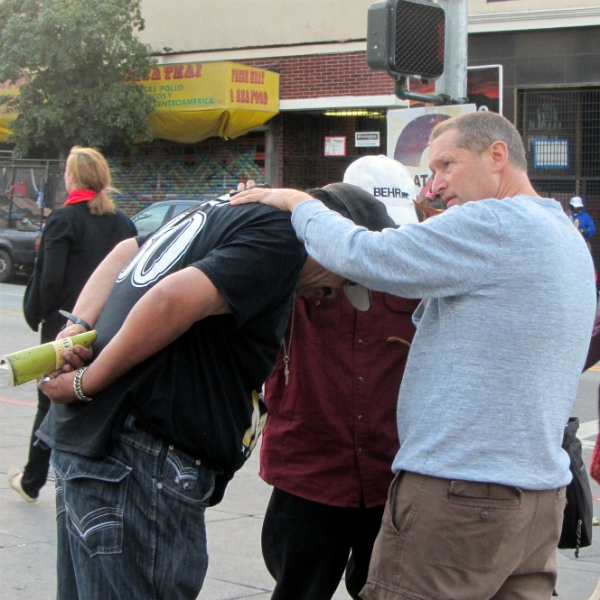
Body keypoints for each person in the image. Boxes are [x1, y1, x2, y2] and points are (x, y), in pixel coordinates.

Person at [231, 111, 597, 599]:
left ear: (497, 155)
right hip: (539, 498)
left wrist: (297, 203)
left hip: (461, 494)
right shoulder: (563, 234)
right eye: (430, 172)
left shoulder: (491, 222)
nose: (435, 187)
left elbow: (365, 254)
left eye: (447, 165)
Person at [35, 184, 394, 600]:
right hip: (140, 456)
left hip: (93, 447)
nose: (328, 295)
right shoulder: (285, 239)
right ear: (330, 238)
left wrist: (77, 323)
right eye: (344, 278)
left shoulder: (223, 211)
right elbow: (171, 299)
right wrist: (86, 382)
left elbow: (124, 252)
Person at [260, 155, 420, 600]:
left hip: (392, 471)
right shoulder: (285, 256)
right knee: (297, 588)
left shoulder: (416, 262)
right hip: (309, 469)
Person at [8, 146, 136, 503]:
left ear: (73, 177)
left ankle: (33, 479)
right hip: (108, 327)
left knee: (50, 404)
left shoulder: (63, 220)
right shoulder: (123, 222)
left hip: (66, 326)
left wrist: (39, 314)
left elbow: (48, 279)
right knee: (97, 401)